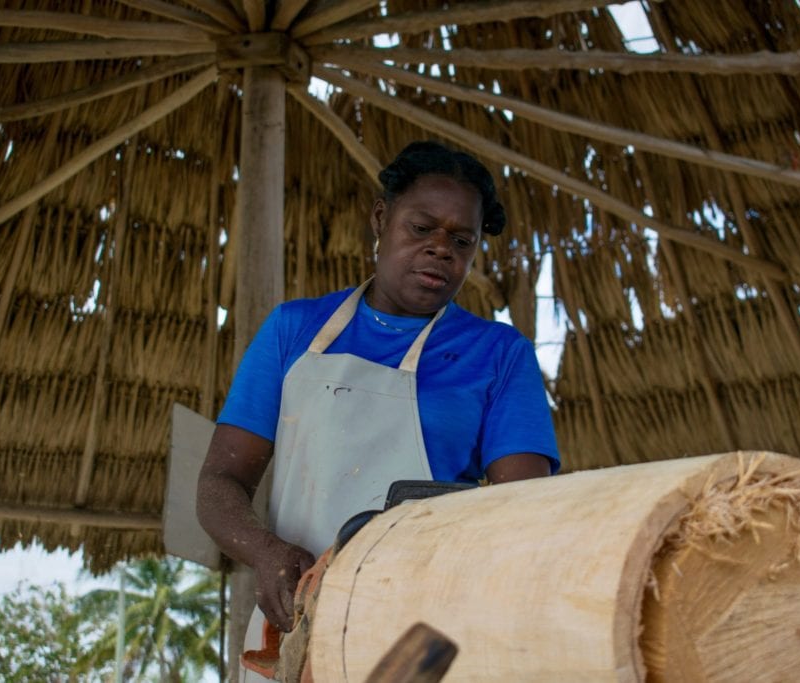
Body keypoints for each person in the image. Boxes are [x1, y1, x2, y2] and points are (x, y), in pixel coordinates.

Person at [196, 141, 560, 665]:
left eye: (461, 239)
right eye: (421, 228)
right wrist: (265, 553)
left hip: (427, 632)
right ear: (381, 218)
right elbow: (218, 483)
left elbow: (522, 513)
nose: (441, 249)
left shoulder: (500, 355)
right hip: (294, 621)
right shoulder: (293, 331)